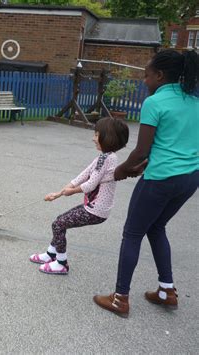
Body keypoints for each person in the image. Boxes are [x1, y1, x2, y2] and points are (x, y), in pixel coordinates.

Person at [93, 50, 199, 318]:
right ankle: (167, 290)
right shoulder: (194, 100)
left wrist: (119, 171)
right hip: (190, 179)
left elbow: (141, 151)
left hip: (161, 179)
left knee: (132, 233)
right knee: (156, 227)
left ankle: (120, 298)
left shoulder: (155, 102)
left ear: (160, 76)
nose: (144, 81)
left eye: (147, 75)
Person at [30, 117, 129, 275]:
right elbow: (83, 175)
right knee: (60, 221)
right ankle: (51, 254)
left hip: (96, 210)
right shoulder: (105, 157)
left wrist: (71, 191)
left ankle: (61, 263)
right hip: (94, 207)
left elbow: (90, 184)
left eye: (96, 135)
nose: (93, 138)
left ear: (108, 137)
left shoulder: (106, 159)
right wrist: (59, 193)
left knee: (59, 224)